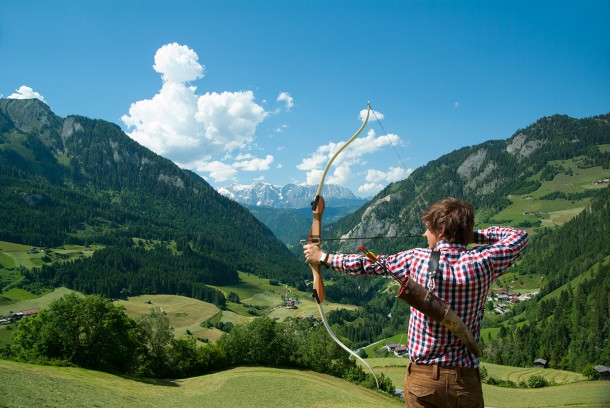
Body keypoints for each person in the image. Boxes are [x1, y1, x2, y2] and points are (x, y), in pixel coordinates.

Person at [304, 197, 528, 407]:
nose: (424, 234)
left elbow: (369, 264)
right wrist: (470, 235)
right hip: (465, 382)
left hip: (424, 380)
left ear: (440, 231)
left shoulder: (416, 259)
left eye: (429, 228)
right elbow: (519, 236)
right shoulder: (483, 262)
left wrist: (324, 258)